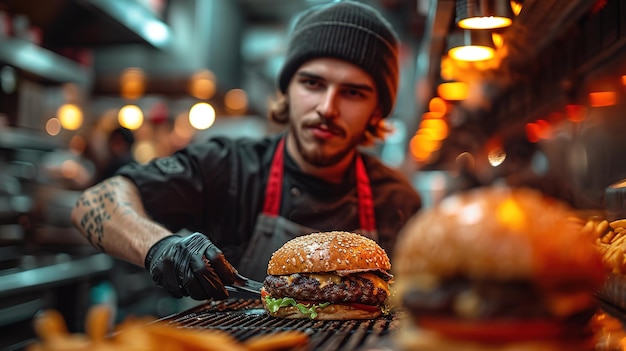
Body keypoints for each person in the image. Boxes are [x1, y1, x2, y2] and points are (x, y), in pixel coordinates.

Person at [71, 0, 422, 301]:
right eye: (312, 83)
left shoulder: (398, 200)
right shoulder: (228, 167)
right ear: (287, 90)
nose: (328, 107)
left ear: (377, 110)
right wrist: (159, 246)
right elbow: (94, 202)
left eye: (353, 92)